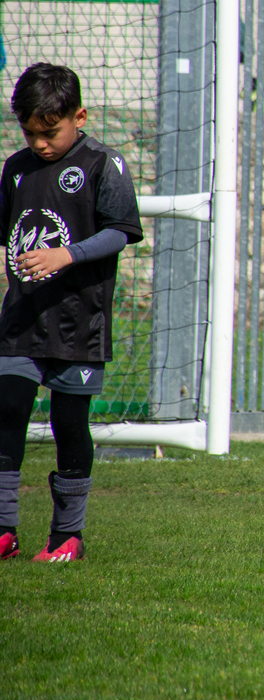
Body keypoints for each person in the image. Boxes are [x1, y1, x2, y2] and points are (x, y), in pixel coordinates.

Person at [0, 63, 143, 562]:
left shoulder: (104, 164)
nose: (40, 144)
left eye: (50, 132)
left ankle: (67, 535)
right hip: (22, 318)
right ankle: (4, 530)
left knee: (69, 421)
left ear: (79, 117)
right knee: (7, 410)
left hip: (79, 322)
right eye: (30, 133)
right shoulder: (16, 168)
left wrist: (66, 254)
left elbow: (120, 231)